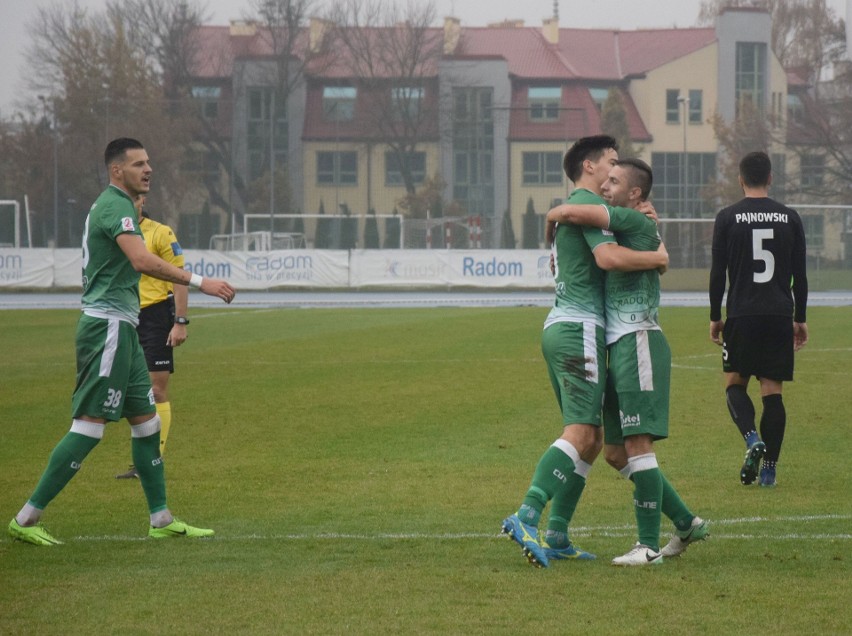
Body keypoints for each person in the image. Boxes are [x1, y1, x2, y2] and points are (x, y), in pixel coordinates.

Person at [8, 137, 236, 546]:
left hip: (124, 329)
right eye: (138, 164)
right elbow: (141, 260)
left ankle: (161, 518)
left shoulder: (121, 207)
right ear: (117, 170)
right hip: (106, 328)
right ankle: (25, 520)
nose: (148, 170)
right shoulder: (115, 206)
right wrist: (202, 282)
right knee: (90, 427)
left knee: (147, 424)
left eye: (149, 162)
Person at [500, 135, 668, 568]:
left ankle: (556, 534)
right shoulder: (587, 207)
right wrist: (659, 255)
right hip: (579, 329)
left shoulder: (579, 207)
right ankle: (526, 515)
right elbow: (610, 258)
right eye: (610, 165)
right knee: (580, 432)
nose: (613, 174)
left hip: (563, 326)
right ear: (589, 166)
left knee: (591, 440)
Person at [546, 158, 709, 565]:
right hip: (618, 345)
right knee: (616, 454)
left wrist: (554, 215)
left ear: (635, 194)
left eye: (614, 180)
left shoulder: (632, 219)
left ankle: (648, 545)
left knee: (637, 443)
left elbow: (575, 214)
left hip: (638, 339)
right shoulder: (629, 223)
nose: (606, 184)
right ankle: (686, 523)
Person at [709, 151, 808, 488]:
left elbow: (717, 273)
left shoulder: (727, 217)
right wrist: (801, 318)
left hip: (741, 312)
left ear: (740, 179)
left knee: (735, 383)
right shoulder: (790, 217)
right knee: (772, 392)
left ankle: (752, 439)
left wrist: (714, 316)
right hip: (779, 313)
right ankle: (770, 470)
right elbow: (801, 276)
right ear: (770, 178)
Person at [116, 195, 188, 480]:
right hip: (123, 314)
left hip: (155, 318)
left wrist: (179, 321)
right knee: (129, 393)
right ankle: (142, 458)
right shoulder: (117, 232)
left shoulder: (161, 232)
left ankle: (151, 459)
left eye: (135, 198)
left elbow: (180, 277)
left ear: (143, 200)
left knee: (156, 391)